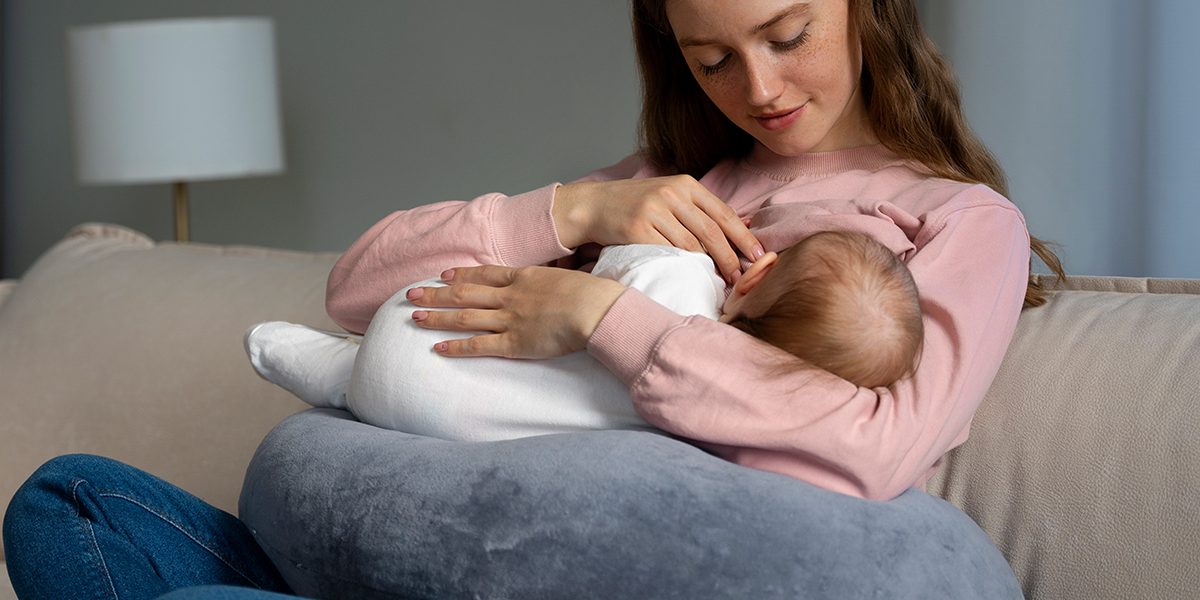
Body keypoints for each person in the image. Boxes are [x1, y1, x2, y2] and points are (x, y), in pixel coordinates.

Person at [3, 0, 1063, 597]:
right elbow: (354, 290)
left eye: (787, 36)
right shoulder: (676, 181)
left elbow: (880, 443)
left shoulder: (960, 222)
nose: (760, 89)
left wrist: (601, 316)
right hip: (433, 531)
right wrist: (578, 209)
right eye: (712, 61)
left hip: (600, 568)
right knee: (70, 503)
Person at [245, 231, 924, 441]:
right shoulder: (713, 420)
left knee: (362, 363)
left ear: (759, 272)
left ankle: (338, 370)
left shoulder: (681, 271)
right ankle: (347, 379)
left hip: (420, 324)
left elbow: (609, 266)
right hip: (438, 423)